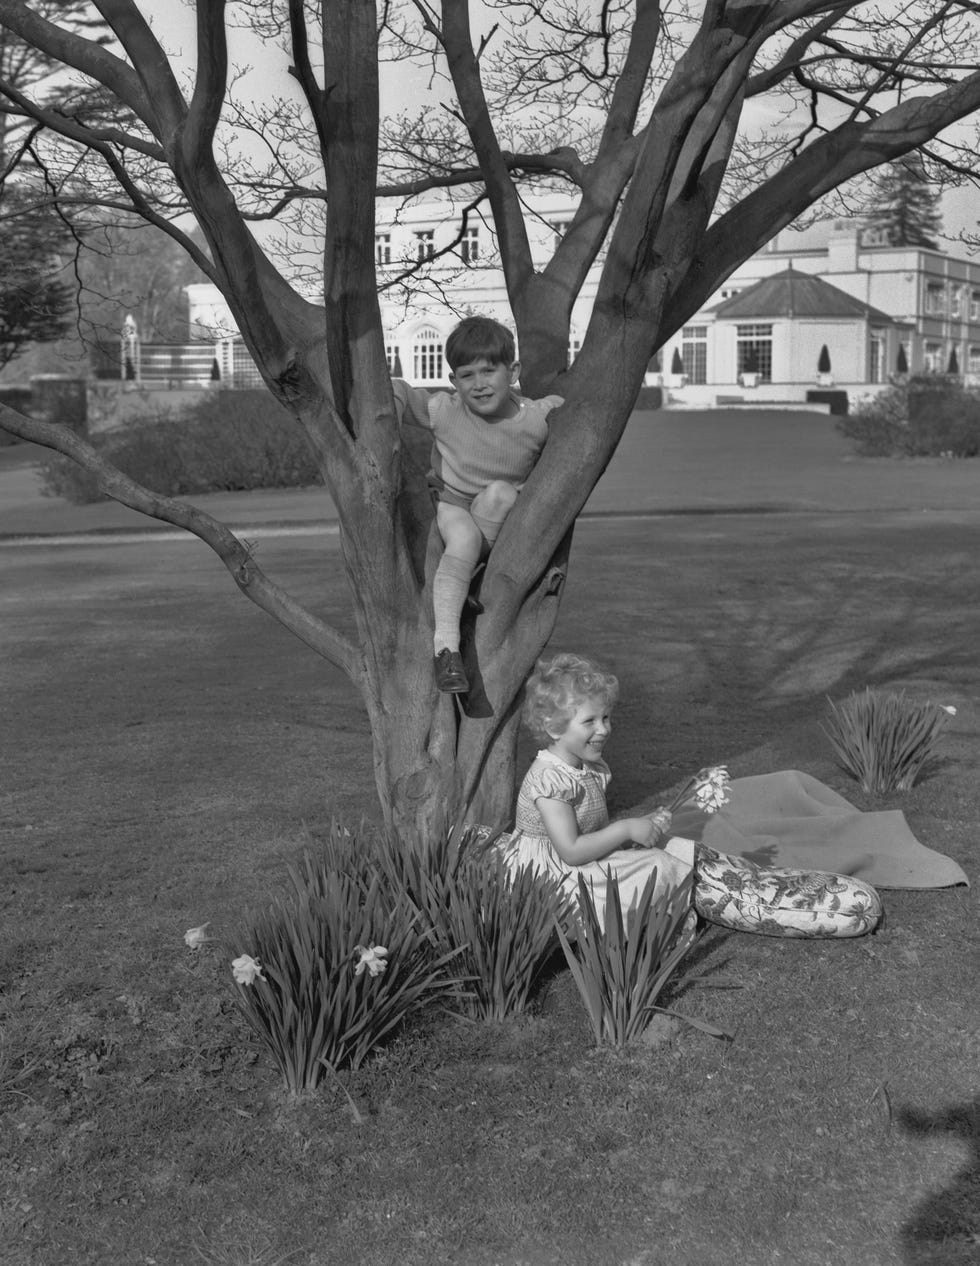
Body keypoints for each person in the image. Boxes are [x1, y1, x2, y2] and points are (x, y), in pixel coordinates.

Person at [392, 317, 563, 694]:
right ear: (454, 382)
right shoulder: (445, 409)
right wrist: (390, 405)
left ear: (513, 371)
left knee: (501, 494)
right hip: (453, 503)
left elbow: (567, 410)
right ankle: (446, 651)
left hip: (498, 515)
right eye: (467, 375)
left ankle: (468, 578)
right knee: (464, 541)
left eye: (489, 370)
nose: (479, 383)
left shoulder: (536, 418)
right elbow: (398, 387)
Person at [498, 652, 698, 935]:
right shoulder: (549, 780)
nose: (603, 729)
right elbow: (571, 851)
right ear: (554, 727)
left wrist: (644, 823)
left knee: (668, 852)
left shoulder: (588, 768)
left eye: (606, 717)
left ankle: (655, 917)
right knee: (656, 865)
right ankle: (641, 927)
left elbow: (595, 831)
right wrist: (626, 828)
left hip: (578, 863)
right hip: (549, 878)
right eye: (590, 721)